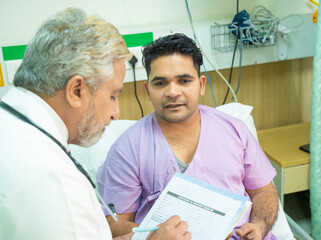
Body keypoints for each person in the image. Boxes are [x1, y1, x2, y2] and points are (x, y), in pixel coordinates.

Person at [0, 9, 190, 240]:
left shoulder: (11, 125)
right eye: (113, 95)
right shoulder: (52, 181)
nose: (115, 113)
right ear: (76, 90)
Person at [97, 33, 279, 240]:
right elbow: (115, 223)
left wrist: (258, 226)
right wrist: (153, 236)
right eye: (160, 83)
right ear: (148, 90)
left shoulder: (235, 130)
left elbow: (264, 192)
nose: (173, 92)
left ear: (201, 85)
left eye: (184, 81)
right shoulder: (128, 148)